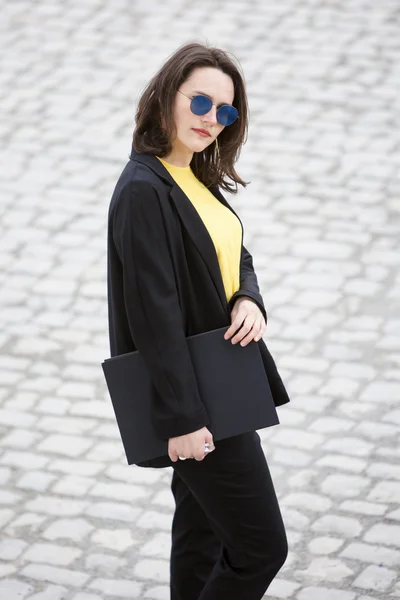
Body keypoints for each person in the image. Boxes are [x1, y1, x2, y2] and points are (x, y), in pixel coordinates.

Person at [107, 41, 290, 600]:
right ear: (167, 95)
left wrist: (249, 299)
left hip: (221, 386)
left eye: (226, 112)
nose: (213, 120)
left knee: (204, 535)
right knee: (261, 548)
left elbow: (235, 254)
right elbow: (153, 315)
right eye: (202, 102)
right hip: (198, 404)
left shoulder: (193, 176)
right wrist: (183, 420)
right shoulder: (144, 189)